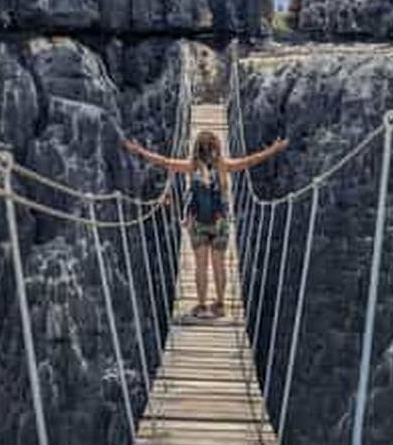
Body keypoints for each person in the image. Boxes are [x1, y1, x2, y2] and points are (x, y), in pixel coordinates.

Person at [121, 129, 288, 319]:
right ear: (217, 147)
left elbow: (164, 162)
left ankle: (200, 306)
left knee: (201, 265)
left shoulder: (191, 167)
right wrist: (273, 150)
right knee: (219, 265)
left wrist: (140, 151)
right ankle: (220, 304)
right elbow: (251, 161)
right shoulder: (224, 165)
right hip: (220, 222)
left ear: (196, 149)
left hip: (197, 222)